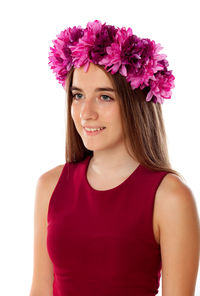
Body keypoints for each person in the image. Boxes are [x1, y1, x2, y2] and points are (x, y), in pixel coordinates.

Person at [29, 20, 200, 296]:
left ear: (136, 103)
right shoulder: (49, 186)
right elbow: (40, 289)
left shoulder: (170, 197)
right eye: (78, 95)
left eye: (105, 97)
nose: (86, 113)